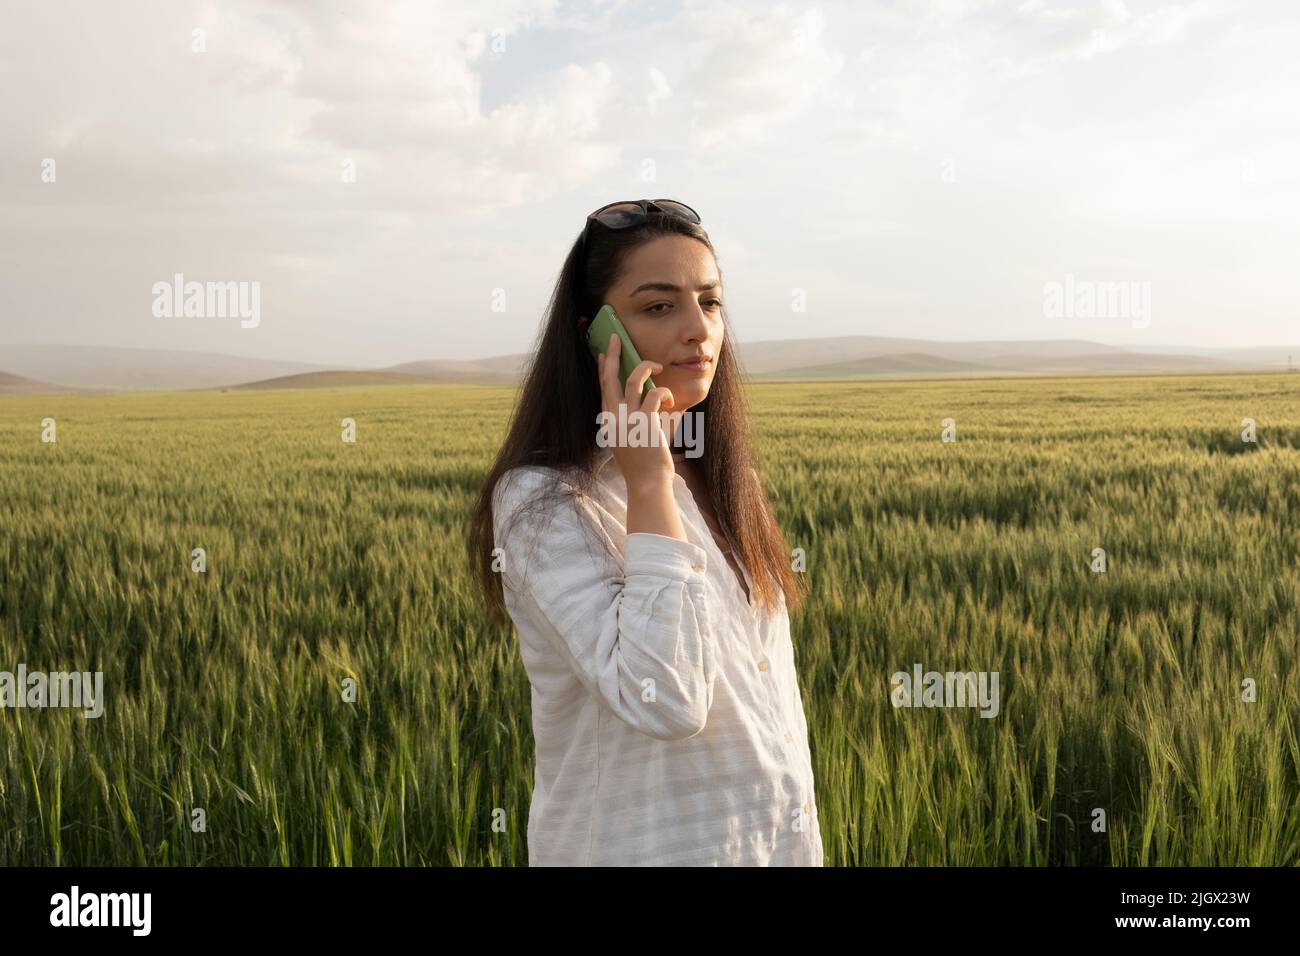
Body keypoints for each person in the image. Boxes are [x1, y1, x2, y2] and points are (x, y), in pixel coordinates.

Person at [467, 199, 821, 865]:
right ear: (597, 335)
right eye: (659, 307)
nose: (700, 331)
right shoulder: (544, 502)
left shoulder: (723, 479)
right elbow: (669, 701)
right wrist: (648, 482)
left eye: (711, 302)